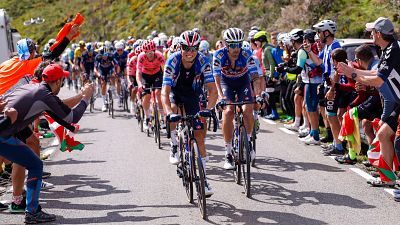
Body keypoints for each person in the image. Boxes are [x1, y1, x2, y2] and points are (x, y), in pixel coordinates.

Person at [0, 63, 94, 223]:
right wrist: (85, 98)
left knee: (30, 160)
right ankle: (31, 212)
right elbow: (71, 118)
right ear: (57, 82)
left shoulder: (33, 88)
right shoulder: (44, 95)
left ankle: (28, 206)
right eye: (62, 82)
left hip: (7, 129)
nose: (62, 85)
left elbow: (61, 114)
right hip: (3, 133)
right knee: (35, 165)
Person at [337, 17, 399, 186]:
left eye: (372, 31)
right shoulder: (386, 50)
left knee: (396, 142)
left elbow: (378, 81)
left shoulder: (394, 49)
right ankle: (388, 179)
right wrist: (353, 71)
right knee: (383, 135)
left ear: (378, 34)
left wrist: (353, 74)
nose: (370, 34)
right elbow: (375, 74)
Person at [162, 30, 217, 196]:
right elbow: (164, 92)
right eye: (186, 48)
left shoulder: (203, 60)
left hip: (193, 93)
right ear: (180, 47)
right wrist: (168, 113)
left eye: (194, 48)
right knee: (173, 111)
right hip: (175, 92)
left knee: (199, 135)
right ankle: (174, 144)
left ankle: (204, 179)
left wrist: (208, 109)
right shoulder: (173, 60)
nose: (190, 52)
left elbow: (212, 90)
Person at [213, 28, 261, 170]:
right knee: (228, 112)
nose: (236, 48)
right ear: (226, 45)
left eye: (239, 44)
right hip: (226, 83)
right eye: (233, 45)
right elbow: (216, 78)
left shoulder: (247, 53)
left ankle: (248, 142)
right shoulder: (218, 55)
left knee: (248, 109)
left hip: (243, 82)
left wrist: (257, 95)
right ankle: (228, 153)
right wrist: (221, 97)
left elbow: (255, 77)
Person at [305, 20, 342, 155]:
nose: (318, 35)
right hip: (328, 84)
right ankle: (336, 143)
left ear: (326, 33)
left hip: (335, 85)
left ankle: (339, 146)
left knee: (332, 115)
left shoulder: (335, 46)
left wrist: (332, 88)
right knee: (329, 115)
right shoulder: (327, 46)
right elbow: (319, 62)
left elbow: (339, 69)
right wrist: (309, 51)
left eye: (319, 32)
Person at [136, 40, 166, 130]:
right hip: (146, 76)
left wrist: (166, 82)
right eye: (148, 52)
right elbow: (138, 72)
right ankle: (147, 117)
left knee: (158, 93)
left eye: (152, 51)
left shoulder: (159, 55)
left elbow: (165, 69)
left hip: (157, 74)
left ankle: (163, 118)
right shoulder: (141, 57)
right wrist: (139, 84)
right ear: (144, 52)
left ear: (154, 50)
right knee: (147, 96)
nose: (150, 54)